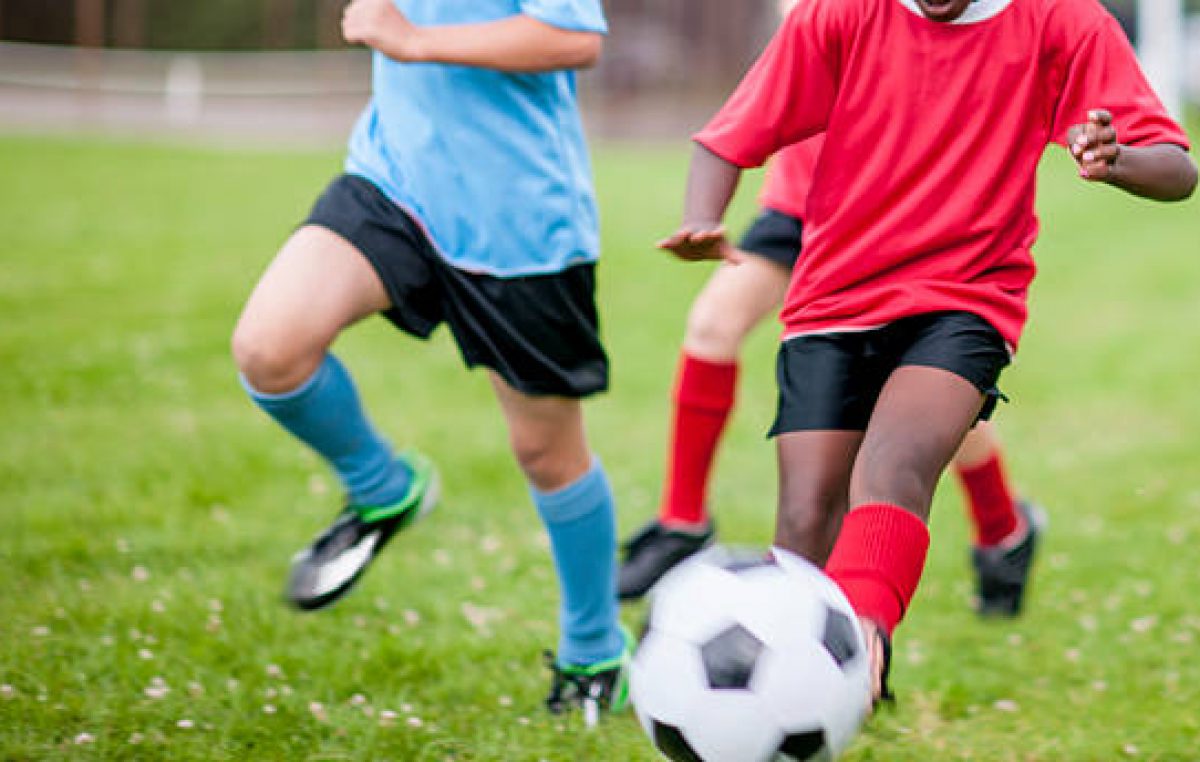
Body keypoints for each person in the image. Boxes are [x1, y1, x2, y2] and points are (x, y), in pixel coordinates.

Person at [658, 0, 1195, 706]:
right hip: (833, 295)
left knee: (894, 466)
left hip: (967, 297)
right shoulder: (841, 14)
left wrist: (1117, 157)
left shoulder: (1061, 19)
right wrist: (702, 216)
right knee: (805, 517)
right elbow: (730, 133)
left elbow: (1179, 169)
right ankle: (811, 690)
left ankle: (862, 644)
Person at [230, 0, 630, 722]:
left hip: (520, 221)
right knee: (269, 349)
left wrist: (414, 42)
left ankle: (595, 652)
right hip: (394, 183)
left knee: (547, 453)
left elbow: (573, 38)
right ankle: (382, 488)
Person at [618, 135, 1045, 620]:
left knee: (925, 401)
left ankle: (1001, 531)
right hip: (800, 203)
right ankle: (682, 522)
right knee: (713, 324)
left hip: (885, 211)